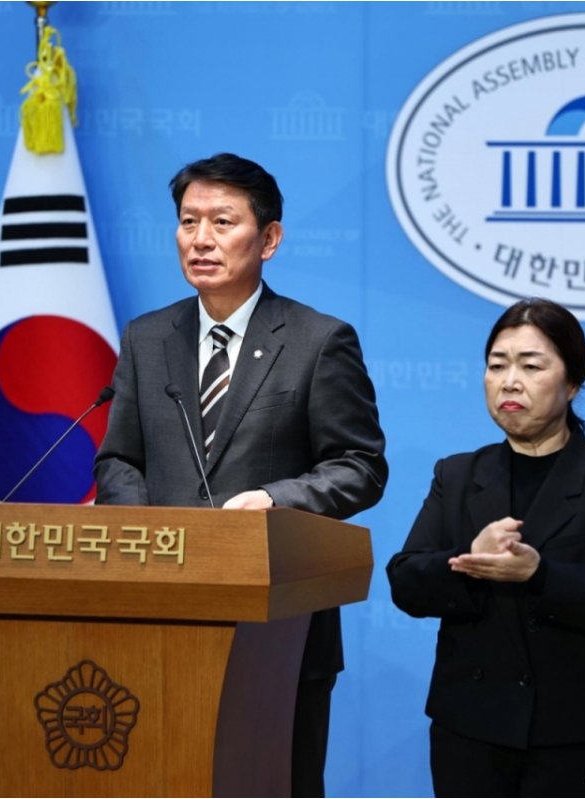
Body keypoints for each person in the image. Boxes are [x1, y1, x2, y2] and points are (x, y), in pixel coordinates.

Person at [94, 153, 387, 797]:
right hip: (159, 615)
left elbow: (360, 466)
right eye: (188, 221)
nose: (200, 239)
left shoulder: (318, 340)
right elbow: (119, 460)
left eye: (222, 222)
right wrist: (150, 535)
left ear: (269, 238)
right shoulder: (147, 338)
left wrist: (273, 500)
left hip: (279, 626)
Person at [386, 298, 585, 797]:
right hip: (471, 728)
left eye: (531, 366)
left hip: (580, 734)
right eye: (497, 366)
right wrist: (468, 560)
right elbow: (405, 580)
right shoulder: (457, 474)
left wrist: (541, 576)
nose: (509, 382)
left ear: (573, 383)